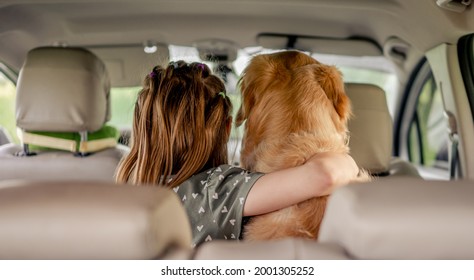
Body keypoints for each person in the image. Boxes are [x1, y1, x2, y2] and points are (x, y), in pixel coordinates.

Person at [115, 61, 359, 246]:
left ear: (141, 128)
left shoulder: (125, 189)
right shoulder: (219, 191)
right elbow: (325, 175)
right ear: (227, 127)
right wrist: (347, 161)